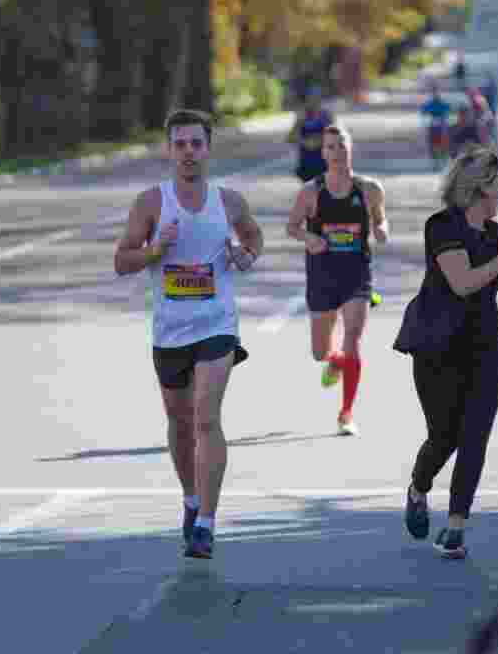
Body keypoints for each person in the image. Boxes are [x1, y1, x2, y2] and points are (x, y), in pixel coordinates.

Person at [114, 108, 265, 560]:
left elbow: (254, 237)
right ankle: (191, 498)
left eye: (196, 143)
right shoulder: (151, 203)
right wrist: (155, 250)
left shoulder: (229, 201)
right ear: (169, 150)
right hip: (170, 332)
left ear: (208, 149)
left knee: (206, 418)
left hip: (217, 325)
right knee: (180, 424)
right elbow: (122, 261)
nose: (188, 152)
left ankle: (206, 524)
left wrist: (246, 255)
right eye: (180, 144)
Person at [393, 144, 498, 559]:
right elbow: (462, 283)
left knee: (475, 436)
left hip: (486, 345)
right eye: (497, 183)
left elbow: (495, 281)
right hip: (438, 344)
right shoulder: (442, 226)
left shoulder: (496, 233)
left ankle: (455, 526)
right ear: (479, 188)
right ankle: (418, 487)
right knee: (444, 435)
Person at [286, 124, 389, 436]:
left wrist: (381, 229)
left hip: (357, 274)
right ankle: (334, 360)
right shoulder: (311, 192)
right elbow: (292, 227)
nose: (336, 152)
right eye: (330, 147)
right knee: (320, 352)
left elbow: (381, 217)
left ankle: (346, 413)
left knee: (353, 340)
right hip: (322, 275)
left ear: (350, 148)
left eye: (341, 145)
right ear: (323, 153)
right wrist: (309, 238)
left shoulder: (369, 189)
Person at [287, 93, 336, 182]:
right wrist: (304, 142)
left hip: (323, 164)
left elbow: (334, 136)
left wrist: (318, 142)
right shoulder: (302, 118)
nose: (312, 104)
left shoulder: (326, 116)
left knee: (323, 188)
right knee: (309, 188)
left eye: (316, 100)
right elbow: (290, 138)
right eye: (310, 100)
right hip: (306, 165)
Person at [420, 80, 451, 167]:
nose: (435, 93)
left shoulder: (442, 103)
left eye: (436, 91)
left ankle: (443, 158)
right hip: (434, 125)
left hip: (441, 124)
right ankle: (435, 160)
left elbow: (448, 110)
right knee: (433, 143)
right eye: (434, 91)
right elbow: (423, 111)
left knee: (443, 142)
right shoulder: (430, 103)